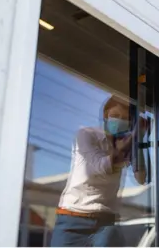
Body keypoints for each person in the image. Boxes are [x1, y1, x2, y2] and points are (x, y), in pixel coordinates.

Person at [50, 95, 147, 247]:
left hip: (105, 223)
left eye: (125, 118)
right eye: (115, 116)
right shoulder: (86, 134)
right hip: (73, 220)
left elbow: (141, 177)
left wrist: (138, 141)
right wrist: (132, 140)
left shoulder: (126, 143)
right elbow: (100, 167)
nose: (119, 121)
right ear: (105, 116)